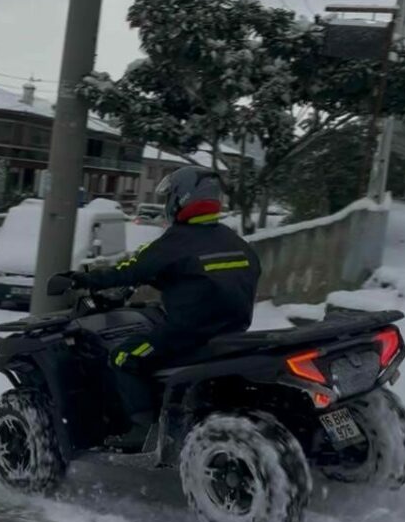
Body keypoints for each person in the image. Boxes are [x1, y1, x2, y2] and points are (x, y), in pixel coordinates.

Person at [68, 166, 261, 449]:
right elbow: (215, 278)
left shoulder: (175, 242)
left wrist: (83, 278)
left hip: (186, 335)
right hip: (231, 333)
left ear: (181, 198)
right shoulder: (234, 241)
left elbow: (128, 269)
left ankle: (141, 430)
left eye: (168, 196)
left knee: (123, 356)